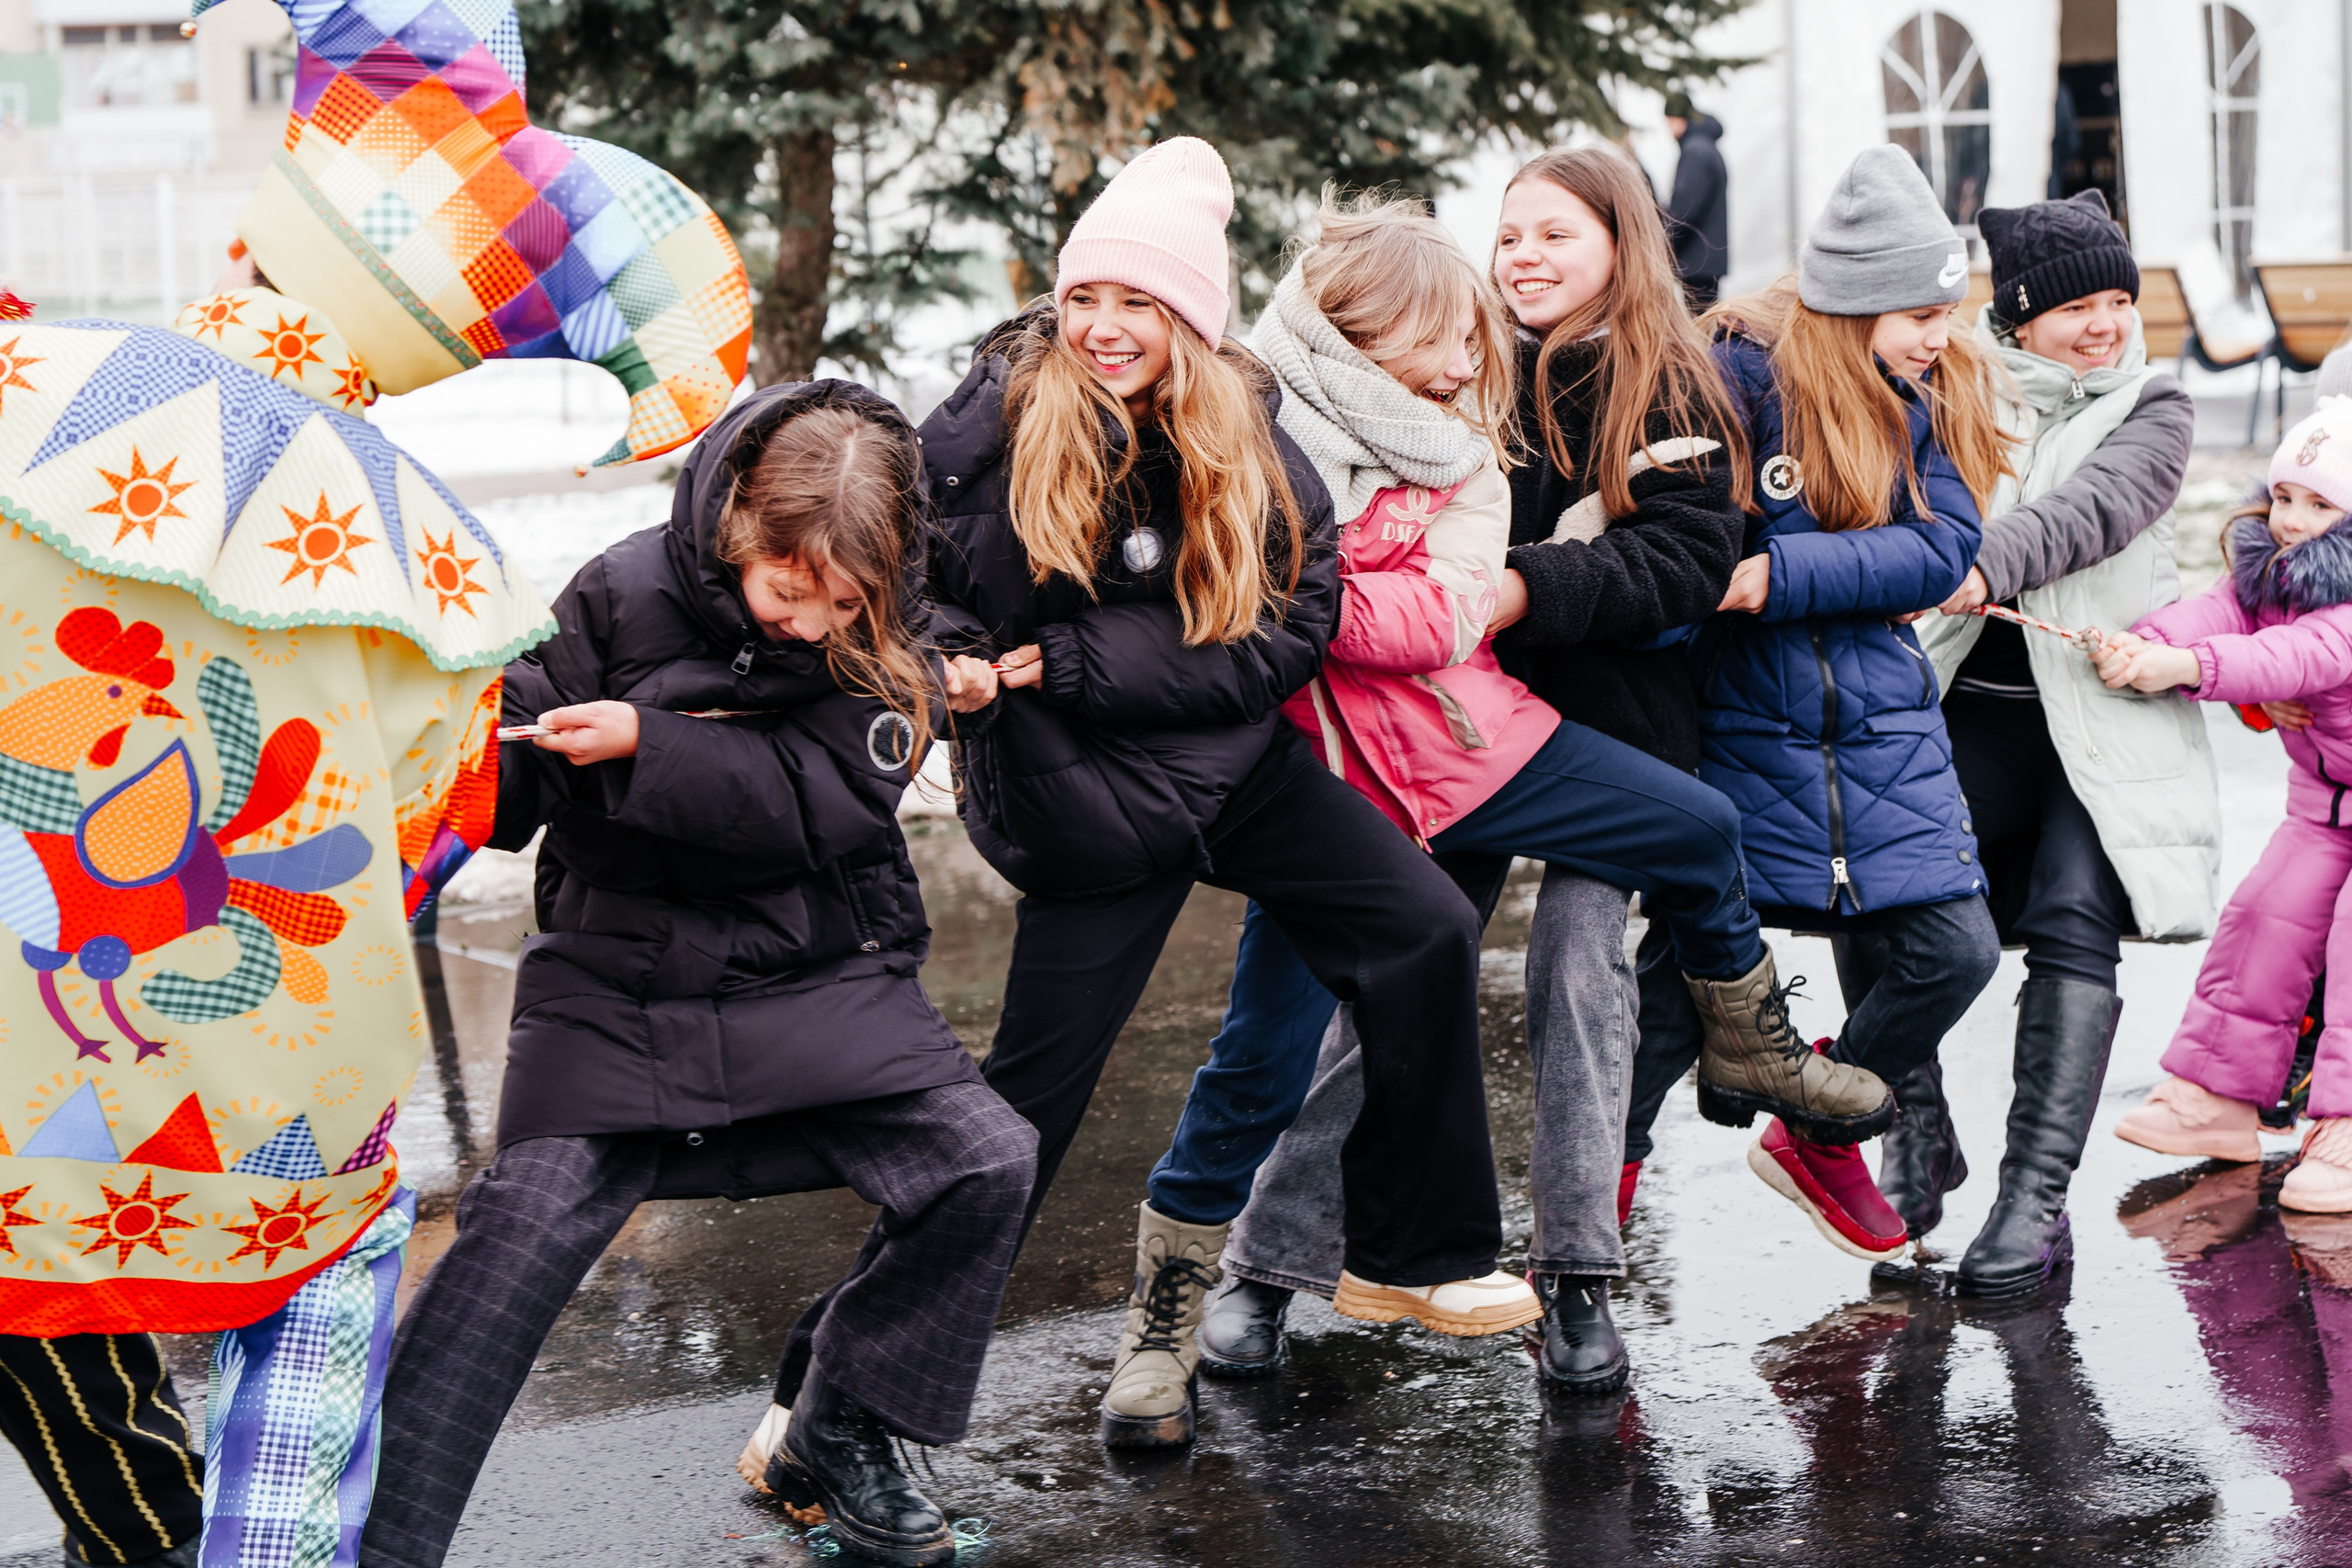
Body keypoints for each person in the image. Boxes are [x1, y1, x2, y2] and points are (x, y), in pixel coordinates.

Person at [2, 0, 756, 1554]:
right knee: (322, 1288)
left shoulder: (23, 392)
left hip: (22, 1113)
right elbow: (419, 831)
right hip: (257, 1127)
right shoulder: (414, 545)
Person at [1204, 156, 1875, 1400]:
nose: (1522, 254)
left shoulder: (1660, 374)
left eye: (1553, 232)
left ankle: (1578, 1281)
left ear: (1620, 240)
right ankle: (1264, 1266)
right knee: (1398, 974)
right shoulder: (1470, 360)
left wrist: (1517, 584)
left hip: (1605, 724)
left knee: (1580, 980)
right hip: (1446, 716)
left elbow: (1683, 556)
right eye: (1508, 232)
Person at [921, 138, 1533, 1452]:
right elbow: (910, 579)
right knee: (1023, 1110)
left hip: (1230, 767)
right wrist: (953, 667)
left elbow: (1293, 613)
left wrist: (1077, 657)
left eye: (1138, 303)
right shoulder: (991, 420)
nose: (1103, 326)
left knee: (1421, 924)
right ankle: (839, 1388)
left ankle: (1406, 1249)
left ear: (1191, 317)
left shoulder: (1240, 424)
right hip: (1087, 799)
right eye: (1086, 296)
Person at [358, 385, 1037, 1568]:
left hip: (817, 962)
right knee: (518, 1223)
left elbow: (812, 801)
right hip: (618, 972)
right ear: (739, 533)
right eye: (790, 593)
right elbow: (516, 732)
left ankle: (839, 1423)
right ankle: (376, 1538)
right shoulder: (620, 587)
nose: (812, 628)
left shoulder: (895, 637)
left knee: (983, 1160)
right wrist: (472, 741)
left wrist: (644, 739)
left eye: (843, 606)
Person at [1628, 144, 2008, 1263]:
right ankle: (1585, 1229)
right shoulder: (1738, 375)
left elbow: (1942, 548)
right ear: (1847, 303)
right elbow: (1694, 538)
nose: (1937, 331)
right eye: (1912, 308)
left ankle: (1816, 1128)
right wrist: (1765, 572)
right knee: (1669, 999)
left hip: (1884, 731)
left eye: (1945, 304)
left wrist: (1781, 576)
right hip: (1741, 727)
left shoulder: (1919, 399)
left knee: (1956, 951)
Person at [1908, 189, 2215, 1296]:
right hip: (1963, 711)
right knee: (1890, 893)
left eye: (2119, 300)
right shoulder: (1947, 396)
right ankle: (1916, 1120)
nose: (2104, 324)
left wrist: (1977, 563)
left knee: (2075, 919)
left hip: (2098, 719)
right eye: (2077, 304)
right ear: (2018, 314)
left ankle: (2030, 1206)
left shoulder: (2155, 406)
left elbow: (2095, 509)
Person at [2097, 397, 2352, 1216]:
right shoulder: (2275, 572)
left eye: (2320, 504)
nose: (2291, 520)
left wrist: (2187, 667)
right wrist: (2149, 638)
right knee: (2262, 916)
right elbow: (2222, 613)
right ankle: (2215, 1094)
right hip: (2323, 808)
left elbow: (2291, 656)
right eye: (2283, 496)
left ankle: (2344, 1125)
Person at [1661, 92, 1728, 310]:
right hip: (1706, 259)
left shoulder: (1695, 153)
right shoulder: (1705, 147)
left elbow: (1685, 209)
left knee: (1702, 331)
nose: (1668, 129)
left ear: (1679, 119)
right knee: (1705, 325)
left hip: (1698, 261)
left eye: (1669, 121)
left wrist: (1663, 244)